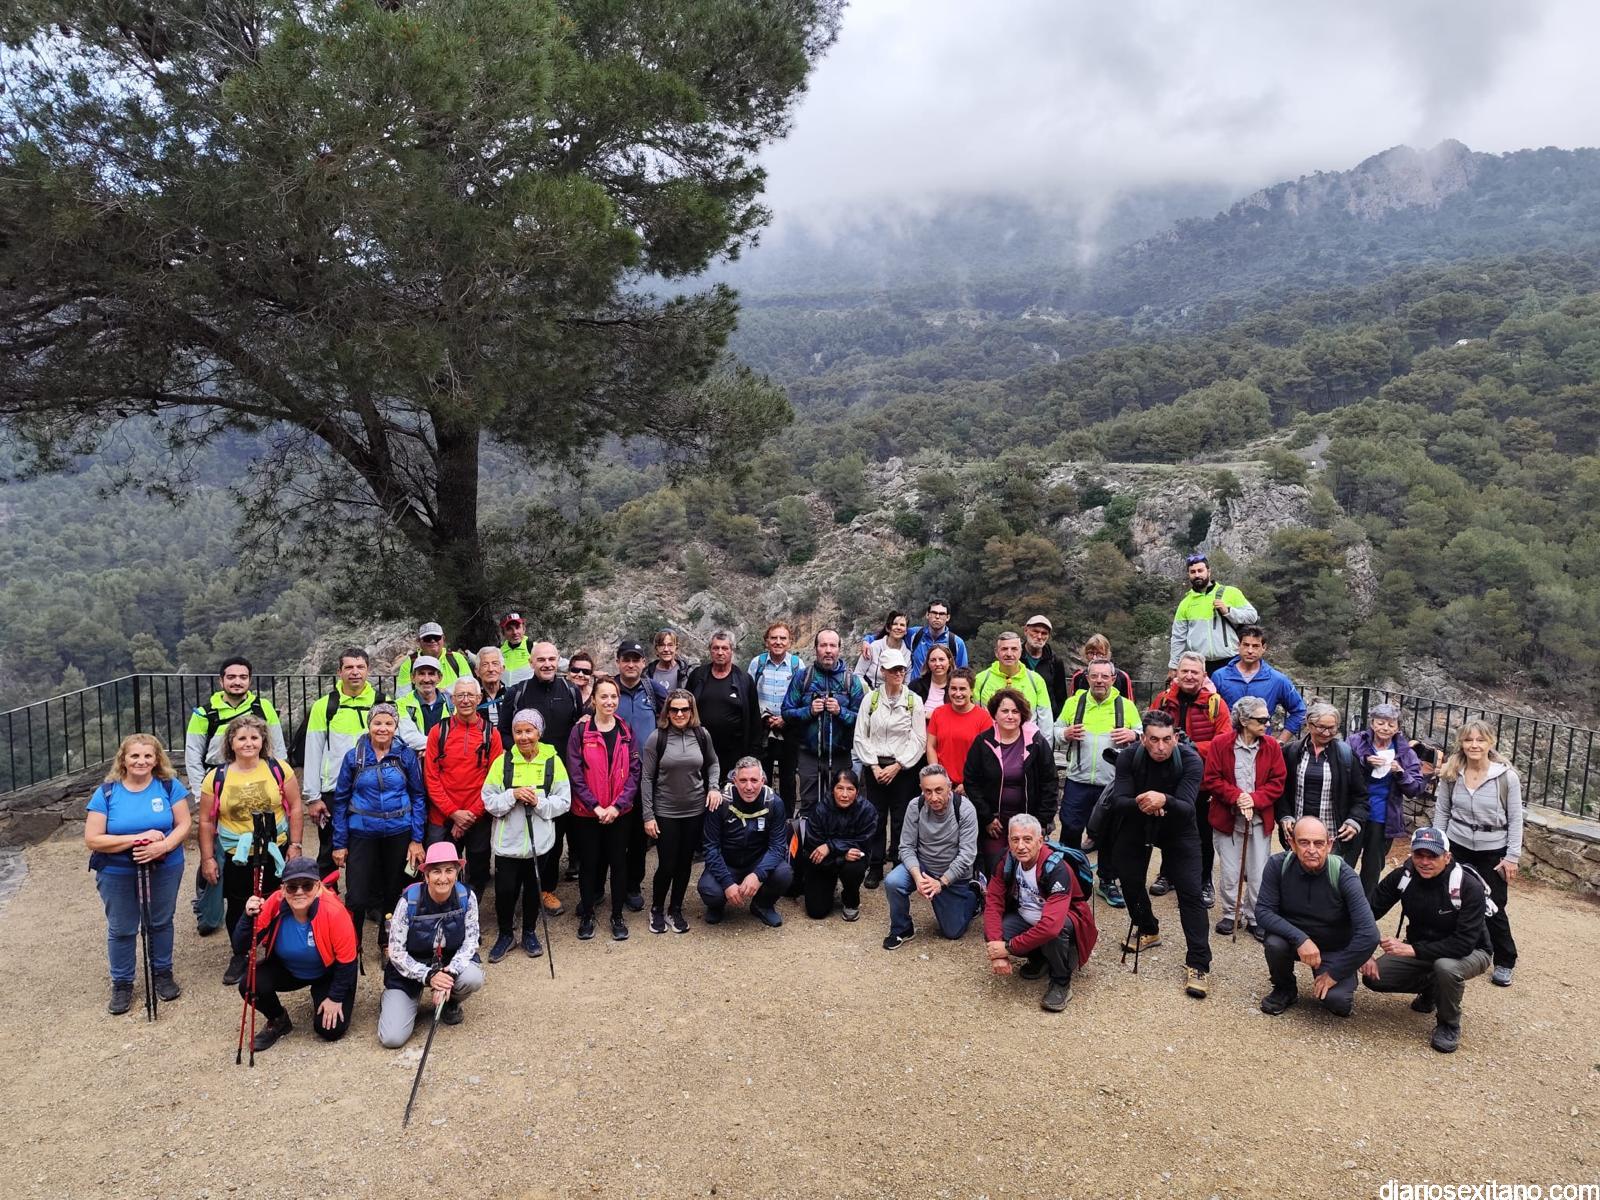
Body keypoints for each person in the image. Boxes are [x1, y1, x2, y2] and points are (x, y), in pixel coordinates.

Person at [1107, 710, 1213, 999]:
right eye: (1153, 739)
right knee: (1129, 878)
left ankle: (1198, 963)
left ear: (1176, 738)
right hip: (1137, 822)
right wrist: (1149, 802)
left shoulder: (1190, 759)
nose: (1160, 747)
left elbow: (1188, 807)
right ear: (1143, 739)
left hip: (1179, 829)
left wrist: (1164, 800)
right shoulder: (1129, 757)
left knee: (1190, 892)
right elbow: (1119, 801)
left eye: (1167, 739)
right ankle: (1147, 928)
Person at [1361, 827, 1495, 1053]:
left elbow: (1463, 944)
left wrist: (1411, 950)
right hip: (1422, 947)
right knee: (1374, 978)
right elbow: (1367, 911)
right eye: (1419, 855)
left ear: (1447, 857)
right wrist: (1364, 950)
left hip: (1472, 951)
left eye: (1432, 856)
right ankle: (1433, 988)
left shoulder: (1467, 886)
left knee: (1446, 968)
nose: (1424, 862)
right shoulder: (1403, 877)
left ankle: (1448, 1024)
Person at [86, 734, 191, 1013]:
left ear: (157, 759)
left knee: (161, 921)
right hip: (116, 870)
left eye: (147, 756)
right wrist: (138, 839)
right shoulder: (107, 792)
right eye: (134, 756)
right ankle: (122, 983)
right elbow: (93, 839)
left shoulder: (169, 786)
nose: (141, 761)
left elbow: (184, 824)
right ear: (123, 759)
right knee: (122, 927)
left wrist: (163, 846)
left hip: (165, 865)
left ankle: (162, 973)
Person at [201, 713, 304, 986]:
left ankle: (277, 949)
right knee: (238, 902)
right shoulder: (216, 777)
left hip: (275, 848)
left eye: (254, 738)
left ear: (263, 741)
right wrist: (208, 857)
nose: (248, 743)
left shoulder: (279, 769)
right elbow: (207, 820)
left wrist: (295, 844)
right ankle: (241, 952)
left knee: (279, 898)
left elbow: (295, 807)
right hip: (237, 852)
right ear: (231, 743)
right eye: (242, 738)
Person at [1254, 817, 1380, 1018]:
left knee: (1338, 1003)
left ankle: (1332, 977)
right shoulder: (1278, 865)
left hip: (1334, 947)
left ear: (1329, 845)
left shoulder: (1344, 875)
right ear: (1292, 843)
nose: (1312, 849)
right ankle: (1284, 988)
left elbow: (1369, 934)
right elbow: (1263, 911)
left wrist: (1334, 974)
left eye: (1319, 843)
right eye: (1304, 842)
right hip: (1294, 942)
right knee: (1274, 943)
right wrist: (1300, 939)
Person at [330, 703, 426, 962]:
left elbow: (418, 796)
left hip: (398, 831)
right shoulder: (354, 757)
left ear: (396, 727)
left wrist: (417, 839)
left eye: (388, 723)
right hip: (362, 832)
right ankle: (351, 944)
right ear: (369, 725)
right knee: (357, 895)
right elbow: (340, 801)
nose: (383, 728)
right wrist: (339, 843)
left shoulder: (405, 756)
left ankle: (388, 942)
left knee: (393, 891)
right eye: (378, 723)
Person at [1432, 720, 1524, 987]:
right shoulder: (1452, 772)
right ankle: (1457, 949)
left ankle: (1505, 960)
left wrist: (1512, 857)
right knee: (1451, 900)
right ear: (1461, 743)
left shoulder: (1506, 777)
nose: (1474, 745)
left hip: (1492, 849)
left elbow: (1516, 819)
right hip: (1457, 845)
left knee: (1493, 906)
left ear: (1490, 742)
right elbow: (1442, 811)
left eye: (1480, 740)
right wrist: (1439, 846)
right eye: (1468, 740)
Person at [235, 856, 359, 1052]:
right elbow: (241, 945)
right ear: (283, 889)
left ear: (318, 887)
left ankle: (322, 993)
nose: (299, 892)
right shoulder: (274, 903)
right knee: (249, 984)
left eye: (307, 886)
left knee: (330, 1030)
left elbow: (348, 962)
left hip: (329, 972)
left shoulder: (335, 912)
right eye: (292, 887)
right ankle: (278, 1019)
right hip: (289, 969)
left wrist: (335, 998)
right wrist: (247, 917)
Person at [983, 814, 1098, 1012]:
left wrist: (1008, 948)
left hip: (1062, 924)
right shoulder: (1006, 860)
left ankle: (1061, 982)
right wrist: (996, 950)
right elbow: (993, 902)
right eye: (1015, 839)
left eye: (1027, 839)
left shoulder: (1057, 868)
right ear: (1008, 840)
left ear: (1040, 841)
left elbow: (1051, 926)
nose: (1020, 846)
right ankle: (1040, 957)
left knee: (1055, 931)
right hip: (1025, 917)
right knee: (995, 929)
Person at [481, 710, 571, 962]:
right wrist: (512, 795)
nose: (523, 737)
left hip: (538, 844)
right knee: (505, 891)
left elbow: (564, 801)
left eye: (529, 731)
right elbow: (488, 800)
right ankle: (505, 934)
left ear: (538, 733)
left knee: (534, 889)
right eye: (518, 731)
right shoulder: (503, 762)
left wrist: (538, 802)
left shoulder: (553, 761)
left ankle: (530, 932)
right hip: (507, 843)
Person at [379, 842, 488, 1046]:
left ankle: (450, 1001)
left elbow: (471, 941)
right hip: (411, 969)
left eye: (449, 870)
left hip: (448, 964)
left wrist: (449, 974)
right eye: (436, 871)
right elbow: (396, 952)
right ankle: (395, 1000)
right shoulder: (408, 902)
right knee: (392, 1038)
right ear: (426, 875)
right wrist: (428, 976)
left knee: (473, 978)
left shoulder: (467, 897)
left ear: (457, 873)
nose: (443, 878)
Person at [1054, 659, 1141, 907]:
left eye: (1104, 676)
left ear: (1113, 679)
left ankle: (1107, 880)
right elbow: (1055, 731)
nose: (1099, 681)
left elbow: (1143, 735)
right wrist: (1065, 734)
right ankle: (1070, 877)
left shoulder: (1125, 706)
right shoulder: (1074, 703)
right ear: (1087, 678)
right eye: (1095, 676)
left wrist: (1133, 735)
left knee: (1111, 833)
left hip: (1112, 783)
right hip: (1078, 779)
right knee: (1070, 829)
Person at [502, 641, 586, 898]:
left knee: (556, 834)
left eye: (551, 659)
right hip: (527, 774)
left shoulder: (571, 691)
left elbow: (579, 728)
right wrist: (524, 756)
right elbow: (504, 732)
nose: (547, 664)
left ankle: (546, 889)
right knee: (526, 831)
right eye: (541, 660)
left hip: (562, 774)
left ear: (558, 661)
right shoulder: (518, 692)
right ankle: (524, 885)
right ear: (531, 663)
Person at [1148, 652, 1230, 906]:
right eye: (1185, 671)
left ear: (1204, 675)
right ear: (1176, 673)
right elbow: (1148, 731)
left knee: (1202, 831)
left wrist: (1192, 747)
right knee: (1167, 826)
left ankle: (1204, 881)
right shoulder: (1163, 700)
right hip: (1167, 777)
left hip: (1201, 780)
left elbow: (1224, 742)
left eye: (1195, 672)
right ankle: (1167, 874)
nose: (1189, 676)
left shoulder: (1216, 704)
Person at [1203, 696, 1286, 939]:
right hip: (1228, 819)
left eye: (1268, 719)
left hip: (1259, 820)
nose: (1267, 724)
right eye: (1261, 720)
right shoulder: (1220, 744)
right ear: (1244, 720)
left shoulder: (1271, 746)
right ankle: (1231, 914)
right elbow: (1212, 779)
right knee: (1230, 871)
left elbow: (1278, 781)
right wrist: (1238, 796)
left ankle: (1255, 916)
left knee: (1258, 872)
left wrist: (1254, 799)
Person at [302, 647, 388, 879]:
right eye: (349, 667)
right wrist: (313, 797)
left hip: (373, 790)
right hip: (334, 790)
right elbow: (313, 751)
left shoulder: (383, 703)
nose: (355, 672)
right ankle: (324, 898)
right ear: (339, 672)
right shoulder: (324, 706)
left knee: (370, 853)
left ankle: (365, 899)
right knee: (329, 851)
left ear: (368, 670)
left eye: (360, 667)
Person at [641, 691, 721, 935]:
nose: (679, 714)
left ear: (691, 710)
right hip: (666, 810)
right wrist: (648, 815)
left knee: (685, 863)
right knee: (667, 864)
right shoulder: (657, 738)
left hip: (695, 810)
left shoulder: (702, 735)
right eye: (674, 709)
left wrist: (714, 787)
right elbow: (646, 778)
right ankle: (657, 908)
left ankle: (675, 908)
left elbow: (713, 763)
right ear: (667, 712)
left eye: (684, 709)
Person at [567, 675, 640, 942]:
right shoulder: (580, 732)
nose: (609, 701)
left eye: (613, 696)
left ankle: (617, 915)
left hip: (619, 813)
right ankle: (587, 914)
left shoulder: (625, 730)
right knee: (589, 865)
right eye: (604, 696)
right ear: (594, 700)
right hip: (587, 813)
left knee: (619, 864)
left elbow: (634, 771)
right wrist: (596, 806)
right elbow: (575, 774)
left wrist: (617, 806)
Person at [852, 646, 928, 888]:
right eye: (893, 669)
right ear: (883, 671)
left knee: (901, 818)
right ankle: (875, 865)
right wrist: (874, 766)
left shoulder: (913, 701)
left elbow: (919, 739)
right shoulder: (871, 700)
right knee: (875, 817)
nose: (898, 674)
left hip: (903, 769)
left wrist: (899, 765)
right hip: (875, 767)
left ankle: (898, 863)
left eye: (901, 669)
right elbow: (860, 736)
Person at [883, 765, 981, 949]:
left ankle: (973, 895)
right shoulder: (916, 805)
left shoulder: (965, 809)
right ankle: (902, 928)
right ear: (921, 789)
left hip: (952, 874)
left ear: (949, 787)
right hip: (923, 867)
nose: (933, 797)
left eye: (939, 790)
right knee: (893, 882)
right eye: (928, 791)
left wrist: (941, 883)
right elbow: (906, 847)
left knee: (953, 932)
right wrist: (918, 878)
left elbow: (967, 854)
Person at [423, 677, 503, 901]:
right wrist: (454, 813)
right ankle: (444, 909)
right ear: (453, 699)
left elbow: (494, 780)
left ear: (479, 698)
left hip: (477, 815)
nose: (465, 700)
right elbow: (431, 777)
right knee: (441, 870)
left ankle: (471, 909)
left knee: (478, 870)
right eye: (460, 695)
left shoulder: (491, 734)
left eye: (470, 695)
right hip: (442, 816)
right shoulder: (438, 732)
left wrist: (469, 816)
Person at [963, 689, 1058, 876]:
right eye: (1004, 711)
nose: (1010, 716)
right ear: (995, 714)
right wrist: (987, 817)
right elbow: (971, 781)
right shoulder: (982, 742)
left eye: (1015, 711)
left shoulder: (1036, 742)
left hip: (1028, 820)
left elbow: (1050, 782)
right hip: (994, 823)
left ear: (1022, 715)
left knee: (1027, 869)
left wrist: (1041, 821)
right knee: (996, 868)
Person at [697, 758, 793, 927]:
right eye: (743, 780)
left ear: (762, 780)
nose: (749, 787)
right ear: (734, 781)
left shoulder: (774, 803)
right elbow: (710, 848)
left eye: (754, 780)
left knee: (784, 873)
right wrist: (727, 883)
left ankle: (762, 905)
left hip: (757, 860)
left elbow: (778, 847)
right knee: (709, 890)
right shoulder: (720, 802)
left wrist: (758, 874)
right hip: (727, 862)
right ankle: (717, 906)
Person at [1346, 702, 1427, 897]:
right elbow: (1342, 768)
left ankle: (1365, 907)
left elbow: (1415, 788)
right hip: (1353, 813)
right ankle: (1337, 903)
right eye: (1381, 723)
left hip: (1383, 817)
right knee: (1344, 862)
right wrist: (1364, 762)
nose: (1385, 728)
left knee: (1372, 868)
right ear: (1372, 724)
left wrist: (1400, 773)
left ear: (1398, 728)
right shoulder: (1355, 742)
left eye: (1391, 724)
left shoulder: (1405, 752)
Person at [782, 629, 864, 819]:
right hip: (809, 755)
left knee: (841, 803)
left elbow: (862, 719)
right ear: (816, 648)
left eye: (832, 645)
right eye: (823, 645)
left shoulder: (851, 681)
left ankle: (838, 838)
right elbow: (786, 712)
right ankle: (809, 838)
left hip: (840, 755)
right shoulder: (803, 677)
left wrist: (840, 712)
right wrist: (809, 711)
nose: (828, 650)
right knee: (809, 804)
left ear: (839, 649)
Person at [1277, 702, 1367, 869]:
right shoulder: (1291, 752)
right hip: (1298, 835)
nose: (1327, 733)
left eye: (1332, 728)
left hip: (1332, 836)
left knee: (1330, 880)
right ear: (1309, 724)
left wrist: (1354, 820)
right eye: (1321, 727)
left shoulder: (1346, 755)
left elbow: (1361, 796)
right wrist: (1285, 816)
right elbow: (1281, 791)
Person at [184, 656, 287, 796]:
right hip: (219, 784)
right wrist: (200, 794)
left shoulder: (264, 707)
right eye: (231, 677)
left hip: (260, 782)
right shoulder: (203, 714)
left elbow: (278, 749)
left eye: (243, 677)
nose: (237, 682)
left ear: (249, 681)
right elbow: (193, 757)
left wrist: (280, 783)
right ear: (221, 681)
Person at [615, 639, 666, 914]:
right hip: (613, 775)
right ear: (618, 662)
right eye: (626, 659)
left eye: (636, 659)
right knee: (611, 834)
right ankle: (602, 886)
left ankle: (632, 886)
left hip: (645, 774)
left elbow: (674, 716)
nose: (631, 664)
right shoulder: (609, 689)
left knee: (637, 836)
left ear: (644, 663)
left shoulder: (653, 689)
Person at [686, 631, 762, 786]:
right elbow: (685, 709)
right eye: (716, 648)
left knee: (729, 793)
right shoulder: (698, 676)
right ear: (710, 650)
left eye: (725, 648)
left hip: (734, 752)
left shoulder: (744, 680)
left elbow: (755, 720)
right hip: (700, 749)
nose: (720, 652)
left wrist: (753, 755)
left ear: (732, 650)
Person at [798, 770, 876, 921]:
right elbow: (814, 847)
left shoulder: (867, 810)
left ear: (857, 792)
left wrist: (831, 847)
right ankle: (828, 885)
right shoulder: (820, 809)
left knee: (855, 864)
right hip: (825, 862)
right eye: (840, 788)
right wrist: (841, 855)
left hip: (850, 860)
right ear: (832, 790)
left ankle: (850, 900)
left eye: (850, 789)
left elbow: (864, 842)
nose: (844, 795)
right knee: (816, 911)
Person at [1168, 552, 1259, 678]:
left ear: (1209, 571)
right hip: (1200, 665)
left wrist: (1228, 611)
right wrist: (1173, 666)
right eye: (1193, 572)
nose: (1197, 575)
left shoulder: (1231, 592)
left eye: (1200, 570)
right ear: (1188, 574)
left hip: (1230, 661)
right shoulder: (1185, 603)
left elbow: (1252, 616)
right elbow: (1178, 638)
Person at [1208, 626, 1305, 743]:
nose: (1250, 650)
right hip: (1227, 745)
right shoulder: (1220, 676)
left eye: (1255, 646)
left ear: (1264, 648)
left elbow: (1299, 711)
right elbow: (1208, 712)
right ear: (1238, 645)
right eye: (1246, 645)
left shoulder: (1277, 680)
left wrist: (1280, 741)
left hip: (1261, 746)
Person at [750, 622, 804, 814]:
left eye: (783, 638)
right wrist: (763, 717)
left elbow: (801, 697)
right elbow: (750, 694)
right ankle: (761, 816)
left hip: (788, 729)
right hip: (763, 729)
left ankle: (787, 820)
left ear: (790, 642)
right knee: (761, 776)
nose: (778, 642)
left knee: (788, 779)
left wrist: (785, 719)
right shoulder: (757, 663)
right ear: (766, 641)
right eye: (774, 638)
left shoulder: (797, 665)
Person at [924, 669, 992, 802]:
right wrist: (938, 776)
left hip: (972, 786)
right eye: (953, 688)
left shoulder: (983, 718)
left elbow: (986, 756)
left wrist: (968, 782)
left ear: (971, 691)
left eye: (963, 689)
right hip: (942, 786)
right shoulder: (938, 713)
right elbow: (931, 746)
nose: (958, 693)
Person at [972, 631, 1052, 713]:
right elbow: (974, 714)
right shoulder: (980, 680)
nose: (1009, 654)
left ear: (1020, 652)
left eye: (1014, 649)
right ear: (996, 652)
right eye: (1004, 649)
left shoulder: (1036, 680)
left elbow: (1045, 716)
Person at [396, 621, 474, 697]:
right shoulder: (408, 664)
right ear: (419, 641)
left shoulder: (457, 658)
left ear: (443, 638)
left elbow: (470, 687)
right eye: (427, 638)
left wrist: (444, 693)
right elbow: (401, 696)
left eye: (436, 637)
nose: (433, 641)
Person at [397, 656, 454, 752]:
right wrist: (442, 744)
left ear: (439, 678)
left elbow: (457, 735)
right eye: (421, 674)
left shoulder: (452, 704)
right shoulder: (401, 704)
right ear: (412, 678)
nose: (426, 679)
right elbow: (408, 737)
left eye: (431, 674)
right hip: (415, 760)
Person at [1021, 615, 1070, 719]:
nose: (1039, 636)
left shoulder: (1055, 661)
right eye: (1035, 631)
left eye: (1044, 633)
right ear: (1026, 630)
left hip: (1047, 718)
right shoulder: (1016, 658)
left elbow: (1061, 697)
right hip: (1019, 716)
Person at [906, 600, 969, 677]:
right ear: (927, 615)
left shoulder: (956, 643)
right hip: (916, 684)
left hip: (944, 684)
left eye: (942, 614)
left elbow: (963, 674)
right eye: (934, 613)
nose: (937, 617)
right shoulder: (914, 634)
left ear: (948, 617)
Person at [1066, 634, 1135, 701]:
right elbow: (1073, 702)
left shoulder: (1122, 677)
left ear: (1107, 655)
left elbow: (1129, 703)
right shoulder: (1078, 677)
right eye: (1090, 653)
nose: (1094, 658)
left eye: (1099, 654)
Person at [854, 609, 909, 690]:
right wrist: (868, 692)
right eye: (895, 624)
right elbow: (858, 675)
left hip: (894, 695)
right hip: (869, 693)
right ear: (888, 628)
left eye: (902, 625)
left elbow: (906, 684)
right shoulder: (874, 647)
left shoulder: (907, 655)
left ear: (906, 631)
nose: (898, 627)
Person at [909, 644, 954, 712]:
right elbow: (909, 709)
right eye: (933, 660)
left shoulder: (957, 687)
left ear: (950, 662)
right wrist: (924, 715)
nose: (937, 664)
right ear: (928, 663)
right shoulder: (914, 686)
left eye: (941, 659)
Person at [474, 646, 511, 728]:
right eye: (485, 665)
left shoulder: (512, 695)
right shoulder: (472, 698)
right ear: (477, 671)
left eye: (495, 664)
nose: (490, 669)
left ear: (502, 669)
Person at [648, 629, 693, 695]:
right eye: (662, 645)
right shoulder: (647, 674)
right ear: (656, 649)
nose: (666, 649)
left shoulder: (687, 673)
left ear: (676, 648)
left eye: (670, 645)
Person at [499, 611, 533, 687]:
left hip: (528, 692)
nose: (515, 632)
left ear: (524, 629)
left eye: (517, 627)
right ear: (503, 633)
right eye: (509, 629)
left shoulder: (533, 647)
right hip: (506, 693)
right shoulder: (500, 651)